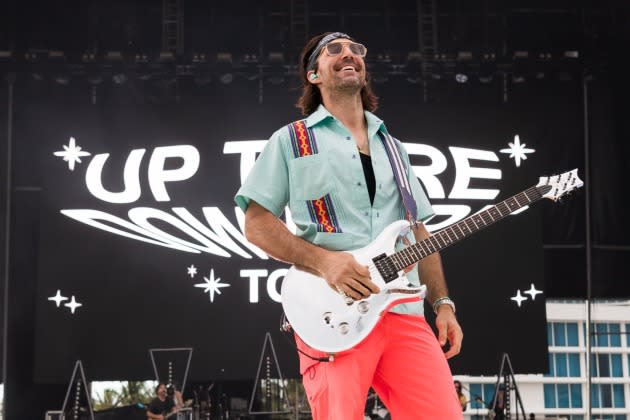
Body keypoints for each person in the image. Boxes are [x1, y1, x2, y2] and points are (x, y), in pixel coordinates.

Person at [235, 31, 463, 419]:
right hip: (334, 313)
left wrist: (442, 304)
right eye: (334, 50)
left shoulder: (394, 148)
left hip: (404, 313)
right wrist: (326, 262)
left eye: (357, 49)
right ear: (314, 75)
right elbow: (256, 225)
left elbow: (419, 233)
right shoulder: (292, 140)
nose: (349, 54)